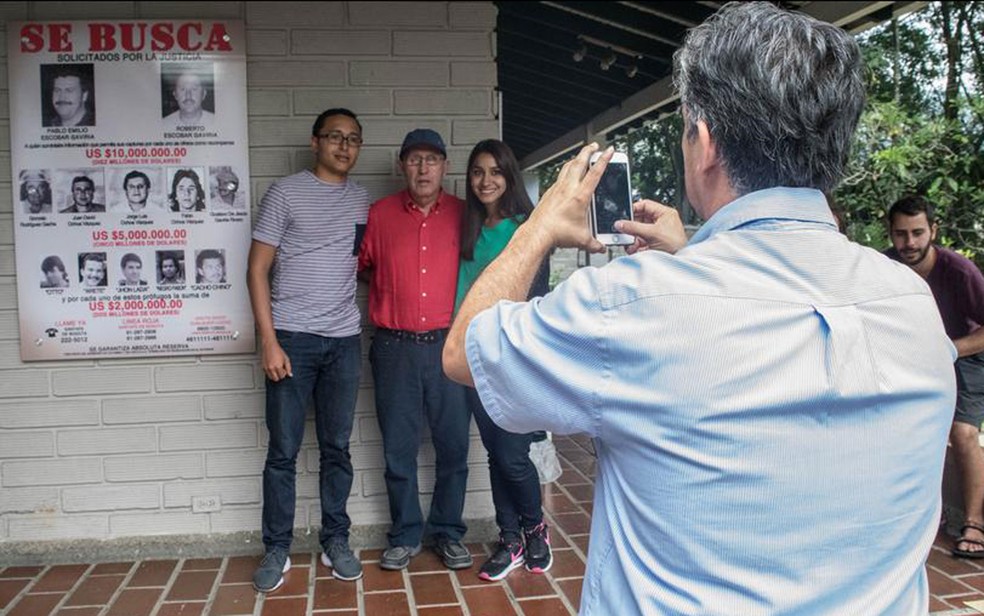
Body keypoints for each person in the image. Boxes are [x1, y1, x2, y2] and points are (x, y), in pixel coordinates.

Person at [443, 3, 957, 614]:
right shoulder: (911, 303)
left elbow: (466, 349)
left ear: (705, 141)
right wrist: (693, 251)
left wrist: (541, 226)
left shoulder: (632, 305)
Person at [248, 108, 369, 592]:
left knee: (337, 448)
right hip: (292, 340)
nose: (344, 146)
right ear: (315, 141)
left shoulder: (362, 201)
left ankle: (335, 540)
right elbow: (256, 270)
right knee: (283, 451)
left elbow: (358, 263)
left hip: (344, 341)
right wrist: (270, 341)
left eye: (354, 139)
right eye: (335, 137)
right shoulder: (285, 193)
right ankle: (276, 549)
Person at [358, 128, 472, 572]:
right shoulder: (379, 214)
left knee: (453, 446)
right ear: (402, 166)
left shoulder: (466, 215)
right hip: (395, 349)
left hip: (449, 345)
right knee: (398, 449)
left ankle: (447, 532)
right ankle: (405, 534)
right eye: (414, 160)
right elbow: (365, 267)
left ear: (445, 166)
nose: (423, 168)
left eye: (432, 160)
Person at [456, 139, 552, 581]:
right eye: (478, 171)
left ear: (509, 176)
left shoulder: (524, 228)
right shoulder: (469, 228)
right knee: (496, 453)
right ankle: (509, 539)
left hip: (510, 357)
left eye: (495, 171)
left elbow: (534, 298)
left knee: (513, 454)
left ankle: (535, 528)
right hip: (472, 358)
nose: (486, 180)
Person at [885, 195, 984, 559]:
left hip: (964, 354)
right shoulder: (883, 266)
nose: (909, 243)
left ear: (933, 230)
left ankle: (974, 521)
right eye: (900, 234)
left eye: (917, 233)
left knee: (962, 432)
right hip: (910, 356)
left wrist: (951, 348)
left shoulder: (961, 271)